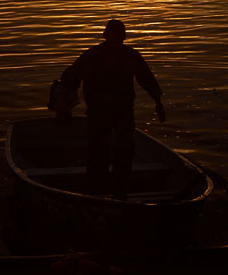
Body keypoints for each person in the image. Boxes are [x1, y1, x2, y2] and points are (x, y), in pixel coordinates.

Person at [60, 19, 165, 199]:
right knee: (101, 152)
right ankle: (100, 192)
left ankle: (115, 192)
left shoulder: (127, 56)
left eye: (119, 35)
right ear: (106, 36)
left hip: (120, 113)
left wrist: (158, 102)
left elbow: (147, 80)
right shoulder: (92, 56)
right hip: (100, 113)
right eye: (114, 35)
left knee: (118, 152)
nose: (116, 39)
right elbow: (70, 79)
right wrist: (63, 104)